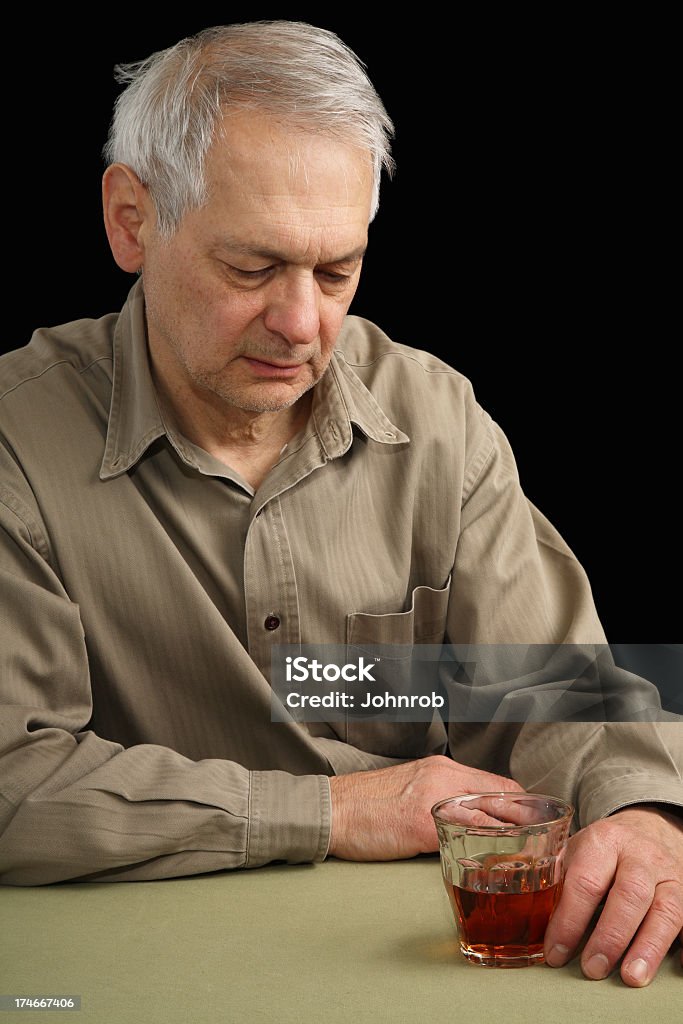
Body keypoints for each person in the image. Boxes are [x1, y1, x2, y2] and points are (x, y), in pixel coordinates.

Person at [0, 20, 680, 989]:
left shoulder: (435, 419)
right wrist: (336, 810)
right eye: (251, 268)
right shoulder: (13, 445)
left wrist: (643, 815)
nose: (300, 323)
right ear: (129, 219)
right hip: (119, 973)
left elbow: (553, 687)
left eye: (336, 271)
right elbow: (10, 778)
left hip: (410, 970)